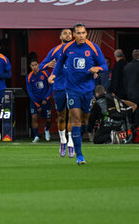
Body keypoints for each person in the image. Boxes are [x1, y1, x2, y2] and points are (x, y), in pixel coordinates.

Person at [49, 23, 108, 165]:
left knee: (84, 121)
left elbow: (104, 65)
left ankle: (76, 139)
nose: (81, 35)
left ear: (86, 34)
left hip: (87, 90)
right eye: (79, 33)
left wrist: (97, 68)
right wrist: (53, 75)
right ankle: (79, 155)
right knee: (75, 119)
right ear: (74, 35)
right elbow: (58, 63)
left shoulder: (93, 47)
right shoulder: (67, 48)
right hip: (72, 89)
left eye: (83, 33)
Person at [39, 28, 74, 157]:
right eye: (65, 33)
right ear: (60, 36)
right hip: (59, 87)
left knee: (72, 114)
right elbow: (41, 66)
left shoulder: (77, 50)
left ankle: (70, 142)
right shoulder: (55, 50)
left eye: (70, 33)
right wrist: (49, 64)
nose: (68, 35)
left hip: (72, 87)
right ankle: (63, 140)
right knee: (61, 115)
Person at [26, 58, 52, 143]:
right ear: (30, 66)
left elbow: (51, 86)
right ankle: (36, 136)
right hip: (35, 101)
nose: (34, 67)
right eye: (32, 65)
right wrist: (37, 105)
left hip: (45, 100)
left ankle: (47, 130)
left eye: (36, 65)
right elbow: (30, 92)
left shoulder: (45, 73)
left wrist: (46, 98)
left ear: (39, 65)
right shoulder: (29, 77)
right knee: (34, 117)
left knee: (48, 119)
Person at [124, 49, 139, 127]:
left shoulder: (127, 67)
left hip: (129, 93)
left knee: (131, 111)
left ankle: (131, 129)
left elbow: (125, 82)